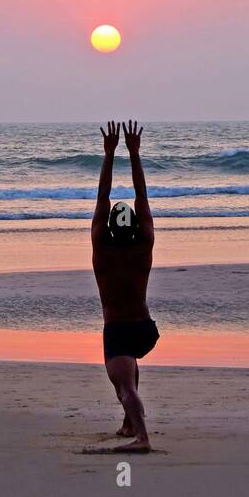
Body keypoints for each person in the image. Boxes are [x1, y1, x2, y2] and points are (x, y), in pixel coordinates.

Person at [90, 120, 158, 452]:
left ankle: (142, 437)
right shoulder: (143, 243)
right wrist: (134, 154)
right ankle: (129, 423)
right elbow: (141, 194)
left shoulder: (102, 249)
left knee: (125, 387)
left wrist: (108, 154)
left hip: (117, 328)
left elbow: (103, 196)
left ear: (106, 227)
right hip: (145, 329)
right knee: (129, 366)